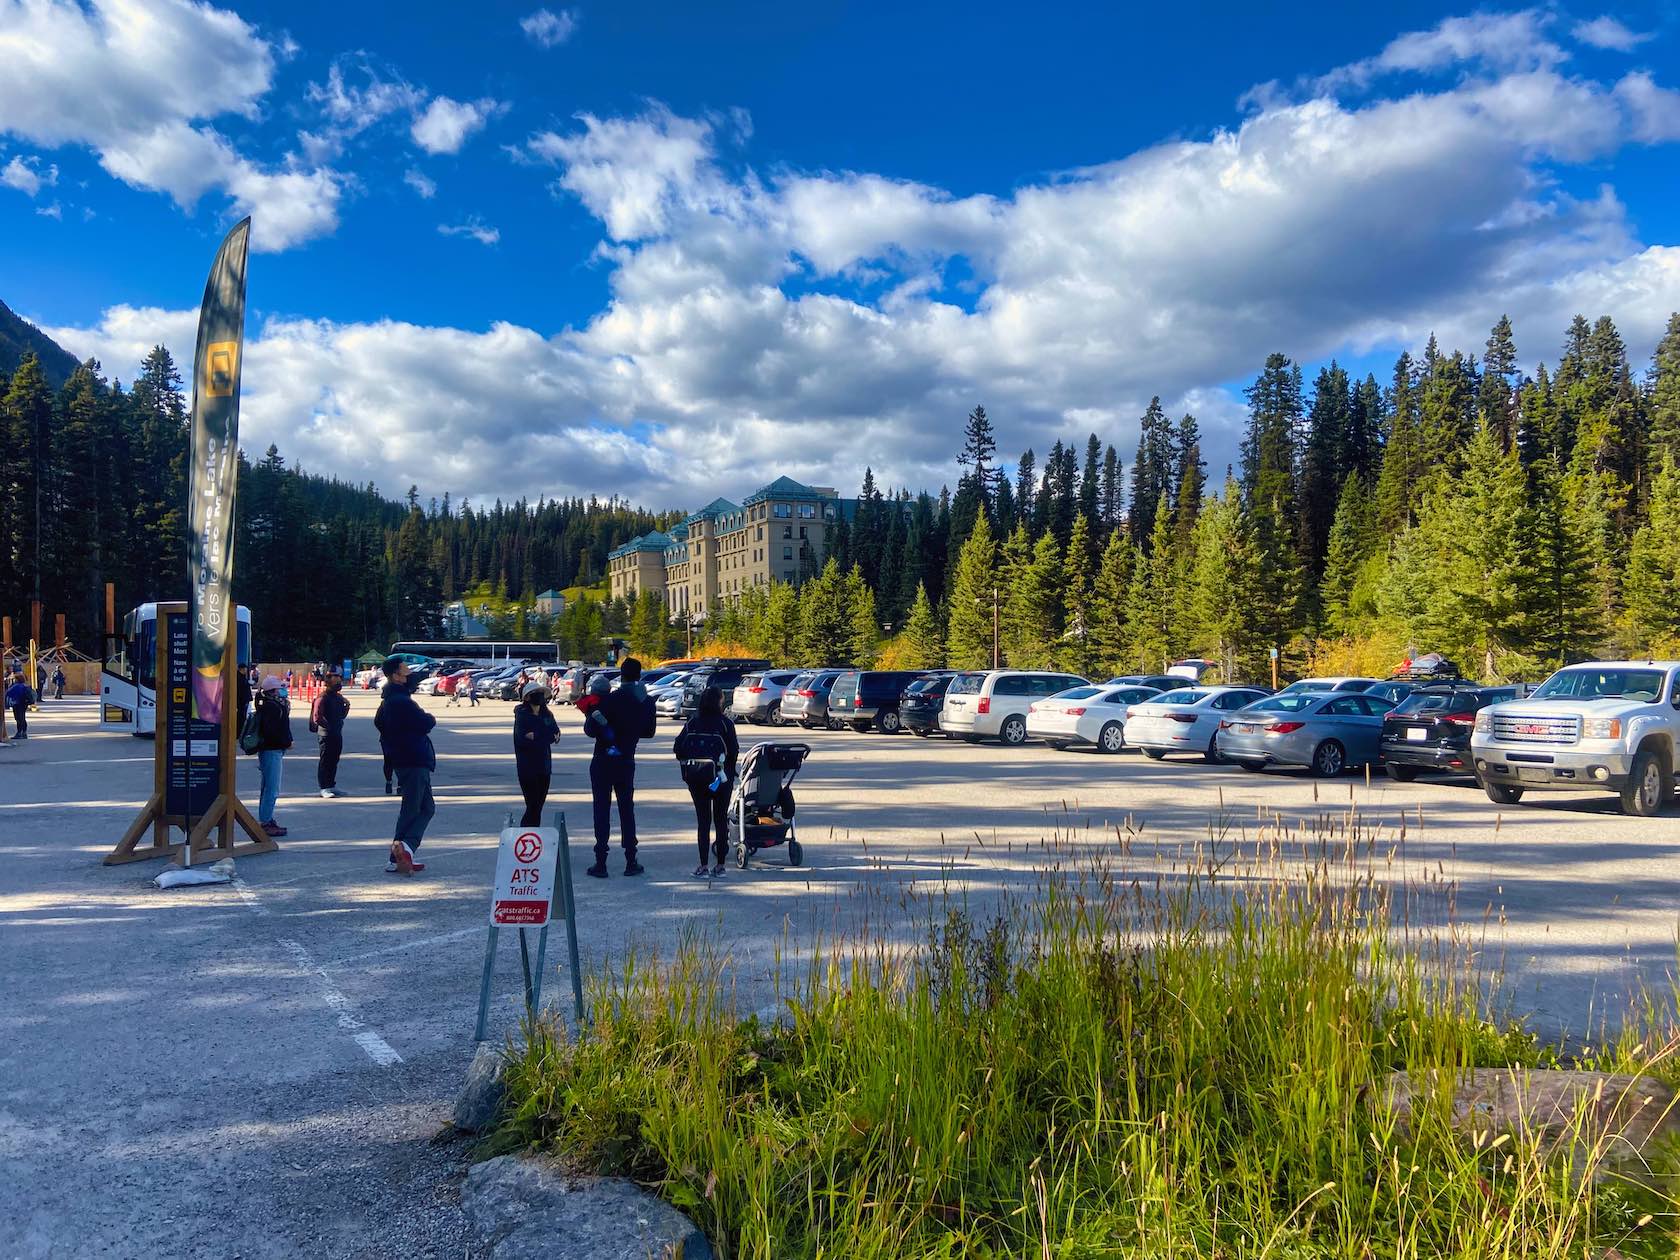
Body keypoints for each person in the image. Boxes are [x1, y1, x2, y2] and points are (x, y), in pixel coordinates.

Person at [586, 656, 656, 878]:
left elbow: (590, 729)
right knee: (627, 810)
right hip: (626, 760)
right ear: (639, 676)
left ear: (621, 675)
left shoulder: (609, 700)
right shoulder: (646, 702)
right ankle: (630, 859)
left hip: (602, 759)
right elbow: (649, 732)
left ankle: (601, 862)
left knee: (601, 809)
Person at [375, 657, 436, 875]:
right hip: (413, 761)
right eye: (405, 671)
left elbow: (379, 724)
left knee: (427, 807)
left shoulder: (389, 701)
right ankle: (401, 852)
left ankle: (404, 851)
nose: (410, 674)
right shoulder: (400, 701)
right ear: (395, 676)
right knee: (412, 808)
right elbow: (426, 722)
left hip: (408, 760)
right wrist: (427, 718)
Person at [673, 685, 739, 878]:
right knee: (720, 820)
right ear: (719, 702)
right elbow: (733, 751)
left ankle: (702, 865)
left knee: (703, 821)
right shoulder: (726, 724)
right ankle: (720, 865)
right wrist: (727, 769)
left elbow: (678, 748)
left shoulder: (693, 722)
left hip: (697, 777)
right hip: (720, 778)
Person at [513, 680, 560, 826]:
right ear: (527, 697)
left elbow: (556, 734)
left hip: (544, 767)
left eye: (540, 694)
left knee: (538, 806)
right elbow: (524, 739)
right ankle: (525, 834)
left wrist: (539, 735)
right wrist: (546, 736)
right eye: (535, 694)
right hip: (527, 768)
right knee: (532, 805)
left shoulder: (547, 714)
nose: (539, 697)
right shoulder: (522, 715)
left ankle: (534, 834)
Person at [252, 675, 293, 837]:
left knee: (268, 786)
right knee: (272, 787)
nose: (283, 691)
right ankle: (266, 821)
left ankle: (266, 818)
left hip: (270, 749)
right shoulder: (272, 708)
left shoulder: (270, 705)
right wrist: (286, 742)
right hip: (272, 750)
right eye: (280, 688)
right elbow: (273, 732)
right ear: (273, 691)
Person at [311, 671, 350, 799]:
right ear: (328, 683)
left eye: (339, 680)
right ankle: (324, 787)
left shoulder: (338, 698)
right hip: (326, 734)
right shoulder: (322, 697)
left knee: (334, 759)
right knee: (326, 760)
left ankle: (331, 785)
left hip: (337, 733)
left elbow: (342, 716)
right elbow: (317, 717)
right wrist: (329, 727)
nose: (339, 683)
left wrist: (347, 706)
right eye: (336, 681)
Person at [5, 671, 31, 740]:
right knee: (22, 717)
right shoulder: (25, 686)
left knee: (18, 718)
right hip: (24, 703)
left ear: (17, 679)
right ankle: (24, 732)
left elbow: (8, 693)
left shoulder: (15, 687)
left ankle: (19, 732)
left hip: (17, 704)